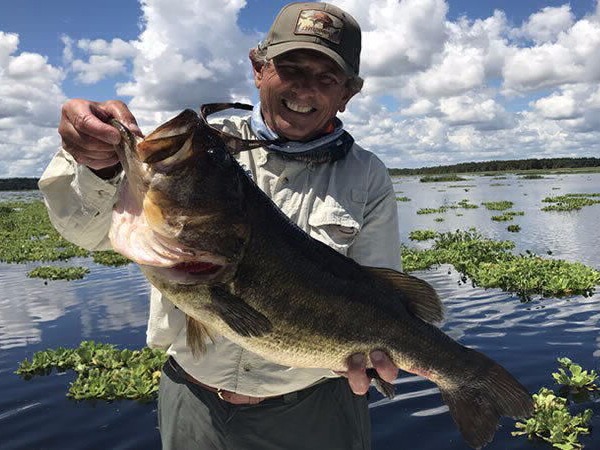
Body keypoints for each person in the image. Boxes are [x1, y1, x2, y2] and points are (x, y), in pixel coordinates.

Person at [39, 2, 401, 449]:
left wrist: (376, 353)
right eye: (290, 67)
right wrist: (95, 162)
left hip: (315, 408)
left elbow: (383, 294)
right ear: (258, 68)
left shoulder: (368, 176)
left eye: (326, 77)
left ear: (348, 92)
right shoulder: (202, 153)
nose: (304, 88)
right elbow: (84, 232)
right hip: (192, 400)